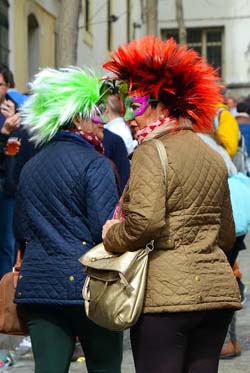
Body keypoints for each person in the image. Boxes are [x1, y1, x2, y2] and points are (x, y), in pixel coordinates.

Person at [102, 36, 241, 373]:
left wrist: (112, 234)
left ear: (162, 103)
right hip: (215, 296)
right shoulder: (210, 152)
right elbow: (227, 232)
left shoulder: (152, 150)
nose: (130, 117)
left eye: (135, 106)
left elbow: (145, 223)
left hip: (166, 301)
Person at [13, 67, 123, 373]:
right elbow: (105, 230)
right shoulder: (97, 165)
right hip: (91, 289)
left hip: (39, 287)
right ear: (77, 119)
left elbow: (20, 230)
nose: (101, 121)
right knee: (105, 367)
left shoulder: (31, 166)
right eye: (95, 114)